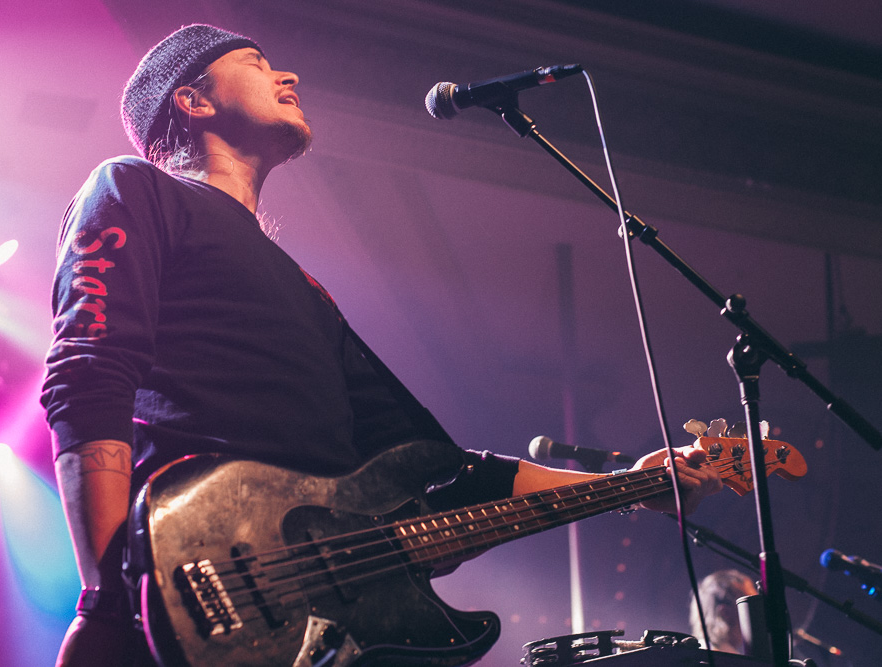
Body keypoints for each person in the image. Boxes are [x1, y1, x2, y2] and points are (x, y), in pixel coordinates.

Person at [40, 24, 723, 667]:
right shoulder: (133, 188)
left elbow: (444, 471)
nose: (289, 74)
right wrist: (106, 596)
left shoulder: (307, 292)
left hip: (320, 627)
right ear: (192, 99)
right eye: (256, 63)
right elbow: (89, 373)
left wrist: (634, 485)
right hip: (184, 587)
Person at [689, 569, 760, 655]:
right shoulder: (719, 659)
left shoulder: (696, 654)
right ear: (726, 612)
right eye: (751, 607)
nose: (759, 615)